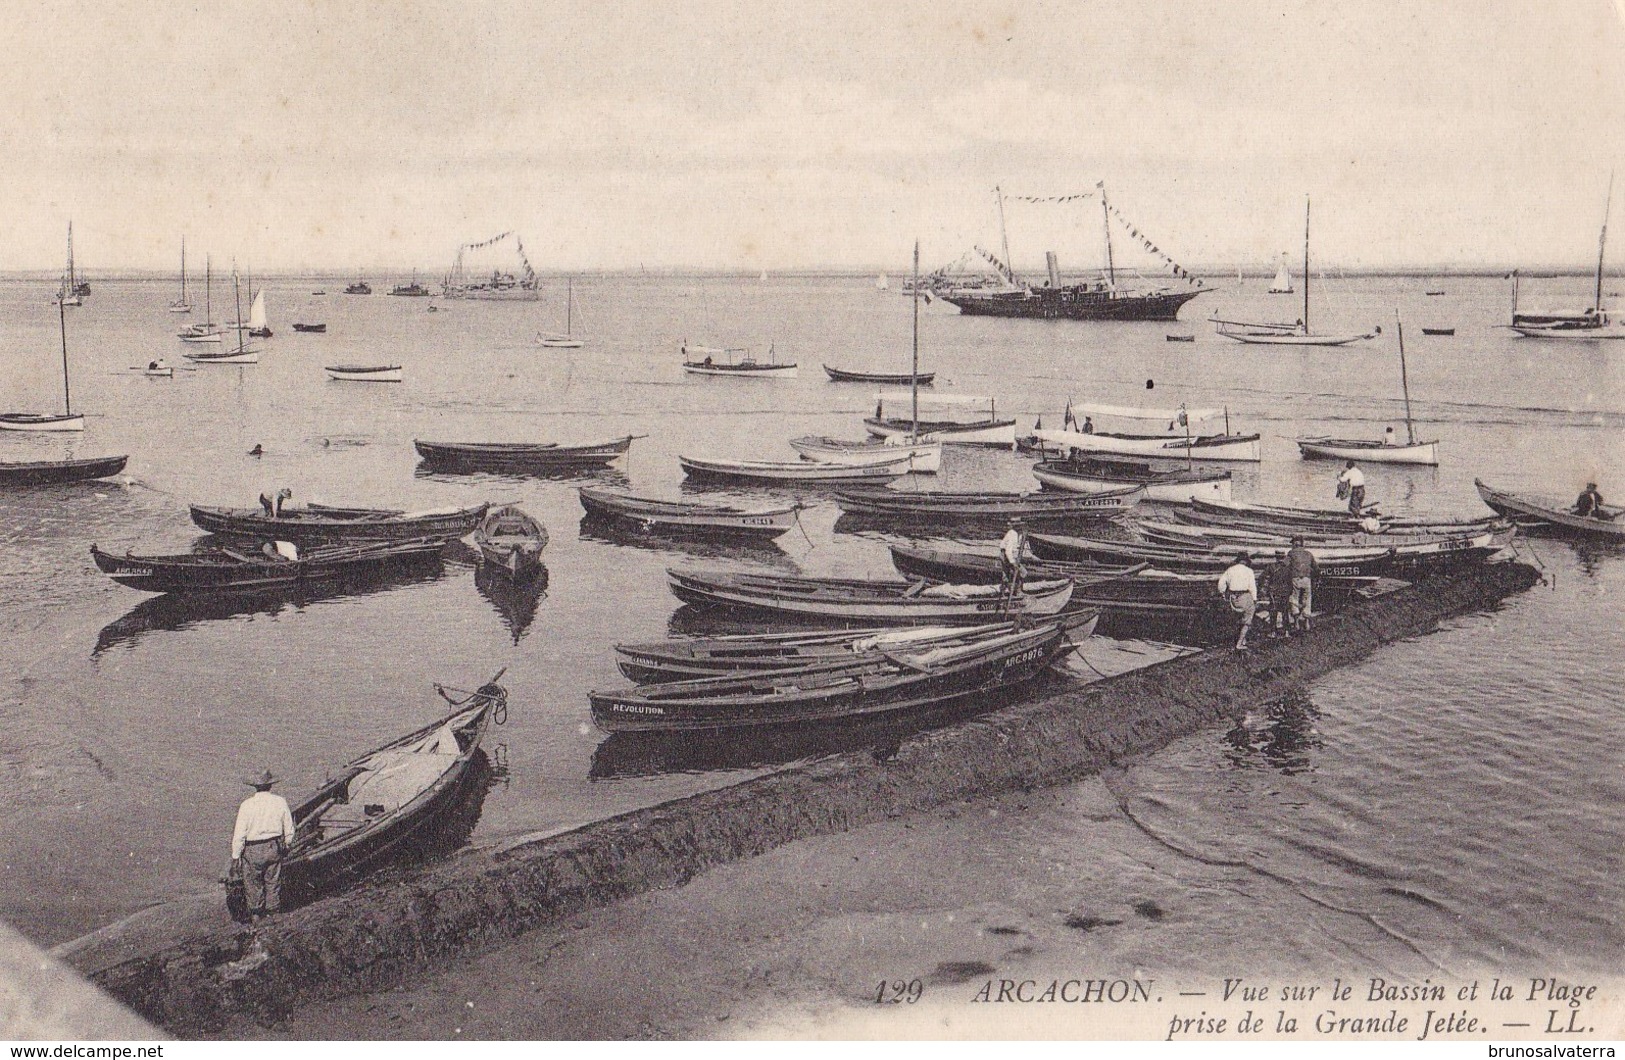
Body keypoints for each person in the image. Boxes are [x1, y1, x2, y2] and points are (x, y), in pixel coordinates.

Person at [231, 770, 295, 922]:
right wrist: (287, 843)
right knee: (273, 882)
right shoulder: (280, 802)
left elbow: (240, 833)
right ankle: (274, 915)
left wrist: (235, 856)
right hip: (273, 846)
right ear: (270, 786)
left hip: (253, 849)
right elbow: (289, 827)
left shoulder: (246, 805)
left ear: (255, 787)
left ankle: (256, 917)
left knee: (253, 884)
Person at [1216, 551, 1257, 651]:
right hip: (1245, 595)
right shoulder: (1249, 571)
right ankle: (1239, 644)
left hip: (1233, 597)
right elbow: (1252, 586)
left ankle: (1242, 639)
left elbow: (1221, 583)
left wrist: (1223, 594)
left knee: (1237, 619)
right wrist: (1254, 599)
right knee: (1247, 620)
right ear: (1246, 561)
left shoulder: (1230, 570)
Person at [1285, 534, 1318, 633]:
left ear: (1295, 543)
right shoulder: (1308, 554)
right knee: (1307, 599)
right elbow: (1316, 567)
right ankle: (1307, 622)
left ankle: (1296, 623)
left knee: (1294, 598)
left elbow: (1285, 565)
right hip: (1307, 579)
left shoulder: (1291, 553)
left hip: (1295, 578)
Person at [999, 519, 1027, 605]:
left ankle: (1004, 593)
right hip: (1007, 556)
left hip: (1008, 555)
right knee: (1022, 572)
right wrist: (1013, 563)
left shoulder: (1018, 534)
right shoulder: (1013, 534)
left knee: (1007, 575)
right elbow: (1008, 551)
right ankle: (1017, 591)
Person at [1267, 557, 1293, 636]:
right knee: (1285, 612)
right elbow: (1290, 582)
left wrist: (1267, 590)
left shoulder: (1271, 567)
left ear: (1276, 558)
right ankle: (1286, 632)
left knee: (1273, 612)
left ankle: (1273, 632)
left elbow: (1264, 578)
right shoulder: (1287, 569)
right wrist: (1289, 592)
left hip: (1274, 592)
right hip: (1285, 592)